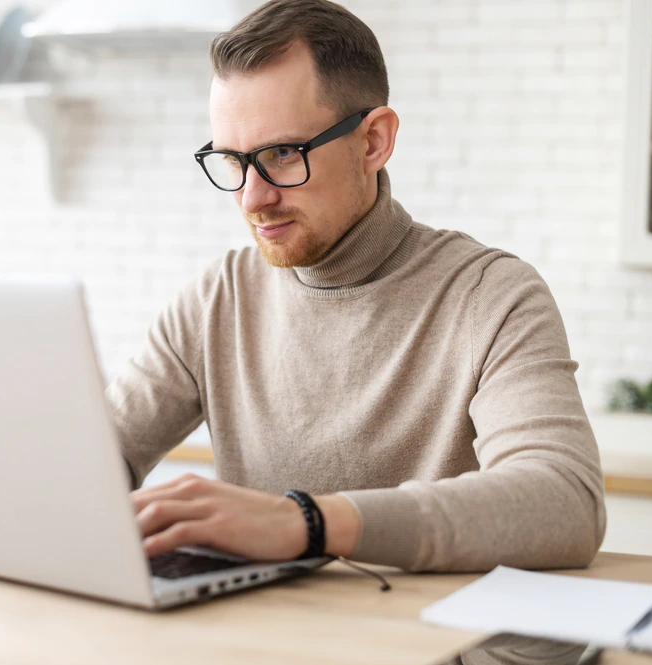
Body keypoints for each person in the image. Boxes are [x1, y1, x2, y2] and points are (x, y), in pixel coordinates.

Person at [105, 0, 606, 573]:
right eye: (233, 160)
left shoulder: (491, 296)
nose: (251, 198)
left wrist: (308, 525)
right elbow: (97, 459)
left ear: (373, 141)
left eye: (281, 154)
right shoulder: (218, 298)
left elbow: (565, 503)